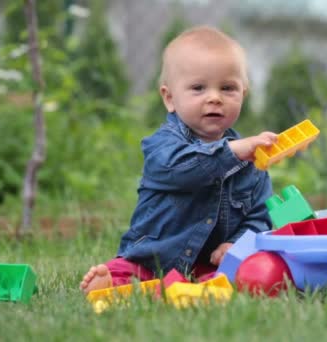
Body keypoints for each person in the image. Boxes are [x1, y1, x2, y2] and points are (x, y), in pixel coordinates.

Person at [80, 26, 278, 294]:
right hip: (152, 259)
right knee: (129, 270)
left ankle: (199, 288)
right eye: (198, 88)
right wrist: (232, 152)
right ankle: (112, 282)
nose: (214, 98)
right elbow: (185, 170)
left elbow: (259, 217)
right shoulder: (162, 146)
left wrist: (235, 245)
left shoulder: (252, 161)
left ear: (243, 94)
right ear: (170, 98)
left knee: (244, 272)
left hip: (207, 264)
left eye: (228, 88)